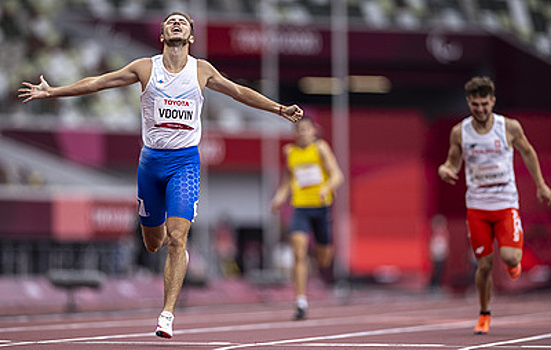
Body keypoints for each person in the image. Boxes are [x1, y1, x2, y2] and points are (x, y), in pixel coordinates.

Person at [19, 11, 303, 339]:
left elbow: (239, 92)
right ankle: (171, 244)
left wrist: (279, 109)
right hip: (150, 164)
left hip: (185, 162)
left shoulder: (202, 70)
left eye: (183, 21)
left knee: (178, 236)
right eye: (171, 21)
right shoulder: (145, 68)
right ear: (163, 35)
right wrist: (53, 92)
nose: (177, 23)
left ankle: (166, 314)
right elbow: (99, 82)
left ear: (192, 37)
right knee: (154, 243)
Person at [438, 76, 551, 335]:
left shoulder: (508, 127)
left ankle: (513, 262)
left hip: (505, 202)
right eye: (475, 104)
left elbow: (528, 151)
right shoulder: (460, 132)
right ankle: (484, 313)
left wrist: (541, 185)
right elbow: (453, 162)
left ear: (493, 101)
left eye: (485, 104)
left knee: (510, 259)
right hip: (477, 206)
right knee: (484, 265)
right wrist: (446, 169)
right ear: (468, 102)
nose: (480, 109)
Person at [271, 117, 343, 320]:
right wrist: (279, 197)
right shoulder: (289, 152)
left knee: (324, 258)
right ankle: (300, 300)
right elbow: (288, 179)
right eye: (299, 130)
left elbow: (337, 175)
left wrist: (327, 187)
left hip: (321, 207)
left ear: (313, 131)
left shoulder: (321, 148)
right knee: (298, 252)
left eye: (306, 129)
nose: (302, 133)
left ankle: (319, 255)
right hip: (300, 207)